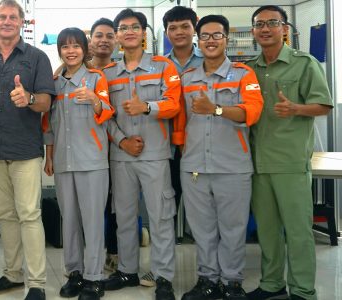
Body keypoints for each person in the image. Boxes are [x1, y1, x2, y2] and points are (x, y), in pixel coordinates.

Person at [0, 1, 55, 299]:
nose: (7, 21)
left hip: (25, 149)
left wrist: (28, 97)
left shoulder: (37, 58)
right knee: (5, 214)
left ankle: (37, 283)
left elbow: (46, 102)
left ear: (21, 22)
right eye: (1, 16)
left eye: (12, 17)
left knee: (29, 214)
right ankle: (13, 274)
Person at [172, 14, 264, 300]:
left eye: (217, 35)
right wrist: (183, 149)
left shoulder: (243, 74)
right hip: (195, 166)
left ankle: (232, 282)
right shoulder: (187, 78)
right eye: (206, 36)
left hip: (232, 165)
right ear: (198, 41)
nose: (211, 41)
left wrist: (217, 109)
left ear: (226, 39)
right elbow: (179, 122)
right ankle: (208, 279)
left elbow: (252, 112)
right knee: (202, 229)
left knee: (233, 228)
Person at [246, 5, 333, 300]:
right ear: (253, 31)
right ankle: (272, 284)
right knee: (268, 232)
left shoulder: (304, 63)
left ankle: (302, 290)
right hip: (258, 163)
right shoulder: (249, 69)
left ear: (285, 28)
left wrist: (296, 108)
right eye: (260, 24)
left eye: (273, 23)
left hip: (290, 162)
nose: (266, 29)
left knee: (297, 231)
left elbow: (323, 106)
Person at [102, 8, 181, 300]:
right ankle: (127, 270)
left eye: (135, 27)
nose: (129, 32)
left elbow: (174, 103)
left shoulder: (163, 67)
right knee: (123, 216)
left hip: (155, 155)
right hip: (122, 156)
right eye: (123, 28)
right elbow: (104, 114)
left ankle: (163, 278)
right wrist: (122, 141)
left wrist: (147, 107)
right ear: (117, 35)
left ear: (144, 32)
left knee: (160, 217)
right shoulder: (108, 73)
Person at [42, 27, 114, 300]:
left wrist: (95, 100)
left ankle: (94, 277)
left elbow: (107, 112)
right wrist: (49, 156)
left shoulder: (96, 78)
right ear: (60, 50)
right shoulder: (55, 81)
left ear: (85, 49)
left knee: (93, 221)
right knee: (69, 220)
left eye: (75, 46)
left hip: (92, 161)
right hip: (62, 160)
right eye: (65, 46)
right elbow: (48, 123)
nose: (70, 51)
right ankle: (75, 272)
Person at [87, 17, 120, 276]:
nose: (104, 40)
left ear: (117, 40)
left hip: (119, 151)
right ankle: (87, 261)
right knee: (91, 207)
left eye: (110, 35)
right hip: (90, 151)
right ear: (90, 40)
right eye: (99, 35)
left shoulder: (120, 72)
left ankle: (114, 253)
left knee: (116, 205)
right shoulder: (77, 72)